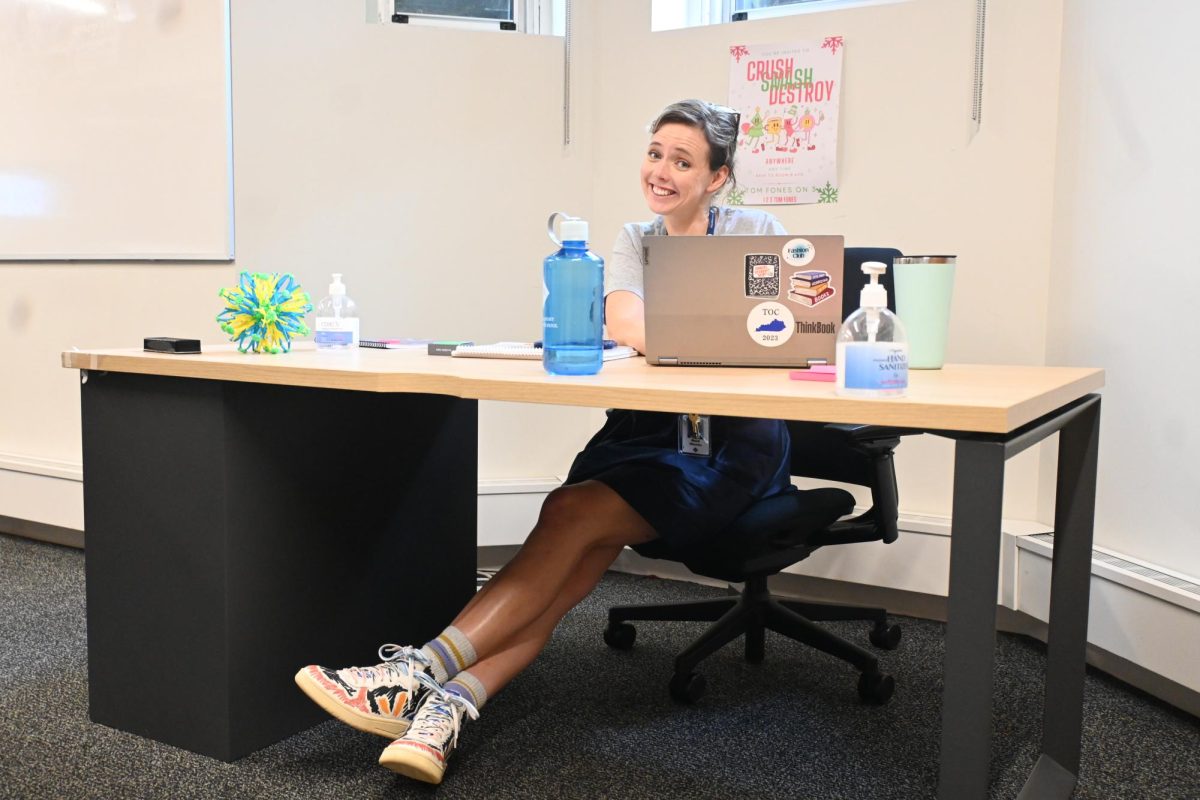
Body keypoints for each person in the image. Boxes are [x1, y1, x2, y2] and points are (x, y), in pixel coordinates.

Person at [294, 99, 793, 786]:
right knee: (567, 554)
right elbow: (626, 322)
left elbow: (774, 331)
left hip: (729, 444)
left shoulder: (755, 230)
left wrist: (693, 336)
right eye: (655, 153)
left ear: (716, 178)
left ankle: (414, 673)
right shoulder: (632, 237)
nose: (662, 171)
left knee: (571, 515)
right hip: (647, 428)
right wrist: (710, 335)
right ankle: (447, 708)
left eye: (683, 161)